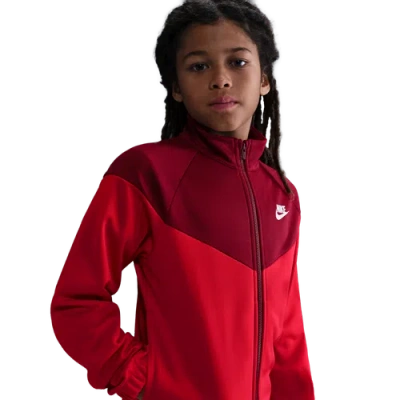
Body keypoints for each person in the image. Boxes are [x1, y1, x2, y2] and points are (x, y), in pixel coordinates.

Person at [49, 0, 318, 399]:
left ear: (264, 78)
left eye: (238, 62)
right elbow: (76, 300)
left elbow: (288, 333)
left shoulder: (283, 194)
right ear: (176, 88)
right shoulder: (146, 174)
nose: (220, 79)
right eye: (198, 66)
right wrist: (138, 378)